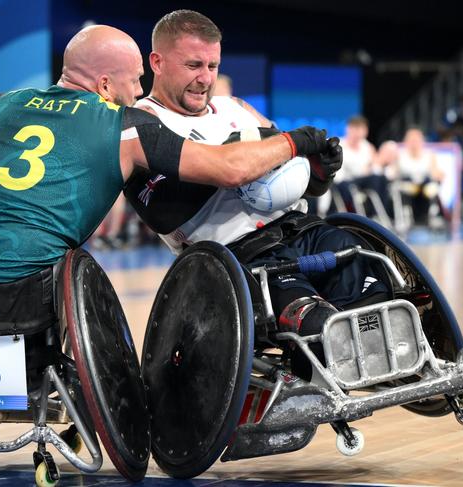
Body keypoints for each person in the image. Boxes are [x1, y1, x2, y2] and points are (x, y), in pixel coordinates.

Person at [0, 24, 329, 284]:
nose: (138, 91)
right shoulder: (125, 124)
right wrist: (299, 141)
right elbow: (228, 168)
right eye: (134, 81)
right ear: (102, 85)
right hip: (28, 281)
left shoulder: (2, 103)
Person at [122, 10, 389, 381]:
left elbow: (285, 172)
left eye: (213, 65)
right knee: (314, 320)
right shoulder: (140, 125)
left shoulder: (236, 108)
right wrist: (281, 146)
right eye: (193, 65)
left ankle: (400, 364)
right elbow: (205, 187)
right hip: (237, 256)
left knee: (375, 285)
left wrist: (316, 174)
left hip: (300, 229)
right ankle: (312, 378)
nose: (205, 78)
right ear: (157, 62)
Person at [334, 115, 392, 218]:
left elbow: (375, 167)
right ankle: (362, 216)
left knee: (381, 178)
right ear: (348, 129)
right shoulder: (339, 145)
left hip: (362, 180)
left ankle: (379, 215)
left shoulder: (368, 147)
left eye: (361, 129)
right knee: (349, 186)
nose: (358, 133)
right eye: (355, 129)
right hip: (344, 182)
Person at [397, 127, 444, 226]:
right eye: (411, 140)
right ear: (406, 141)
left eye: (416, 140)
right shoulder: (400, 155)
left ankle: (431, 215)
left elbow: (435, 172)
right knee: (405, 186)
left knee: (431, 187)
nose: (414, 143)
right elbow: (394, 173)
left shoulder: (429, 155)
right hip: (407, 186)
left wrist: (439, 175)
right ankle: (407, 216)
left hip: (424, 186)